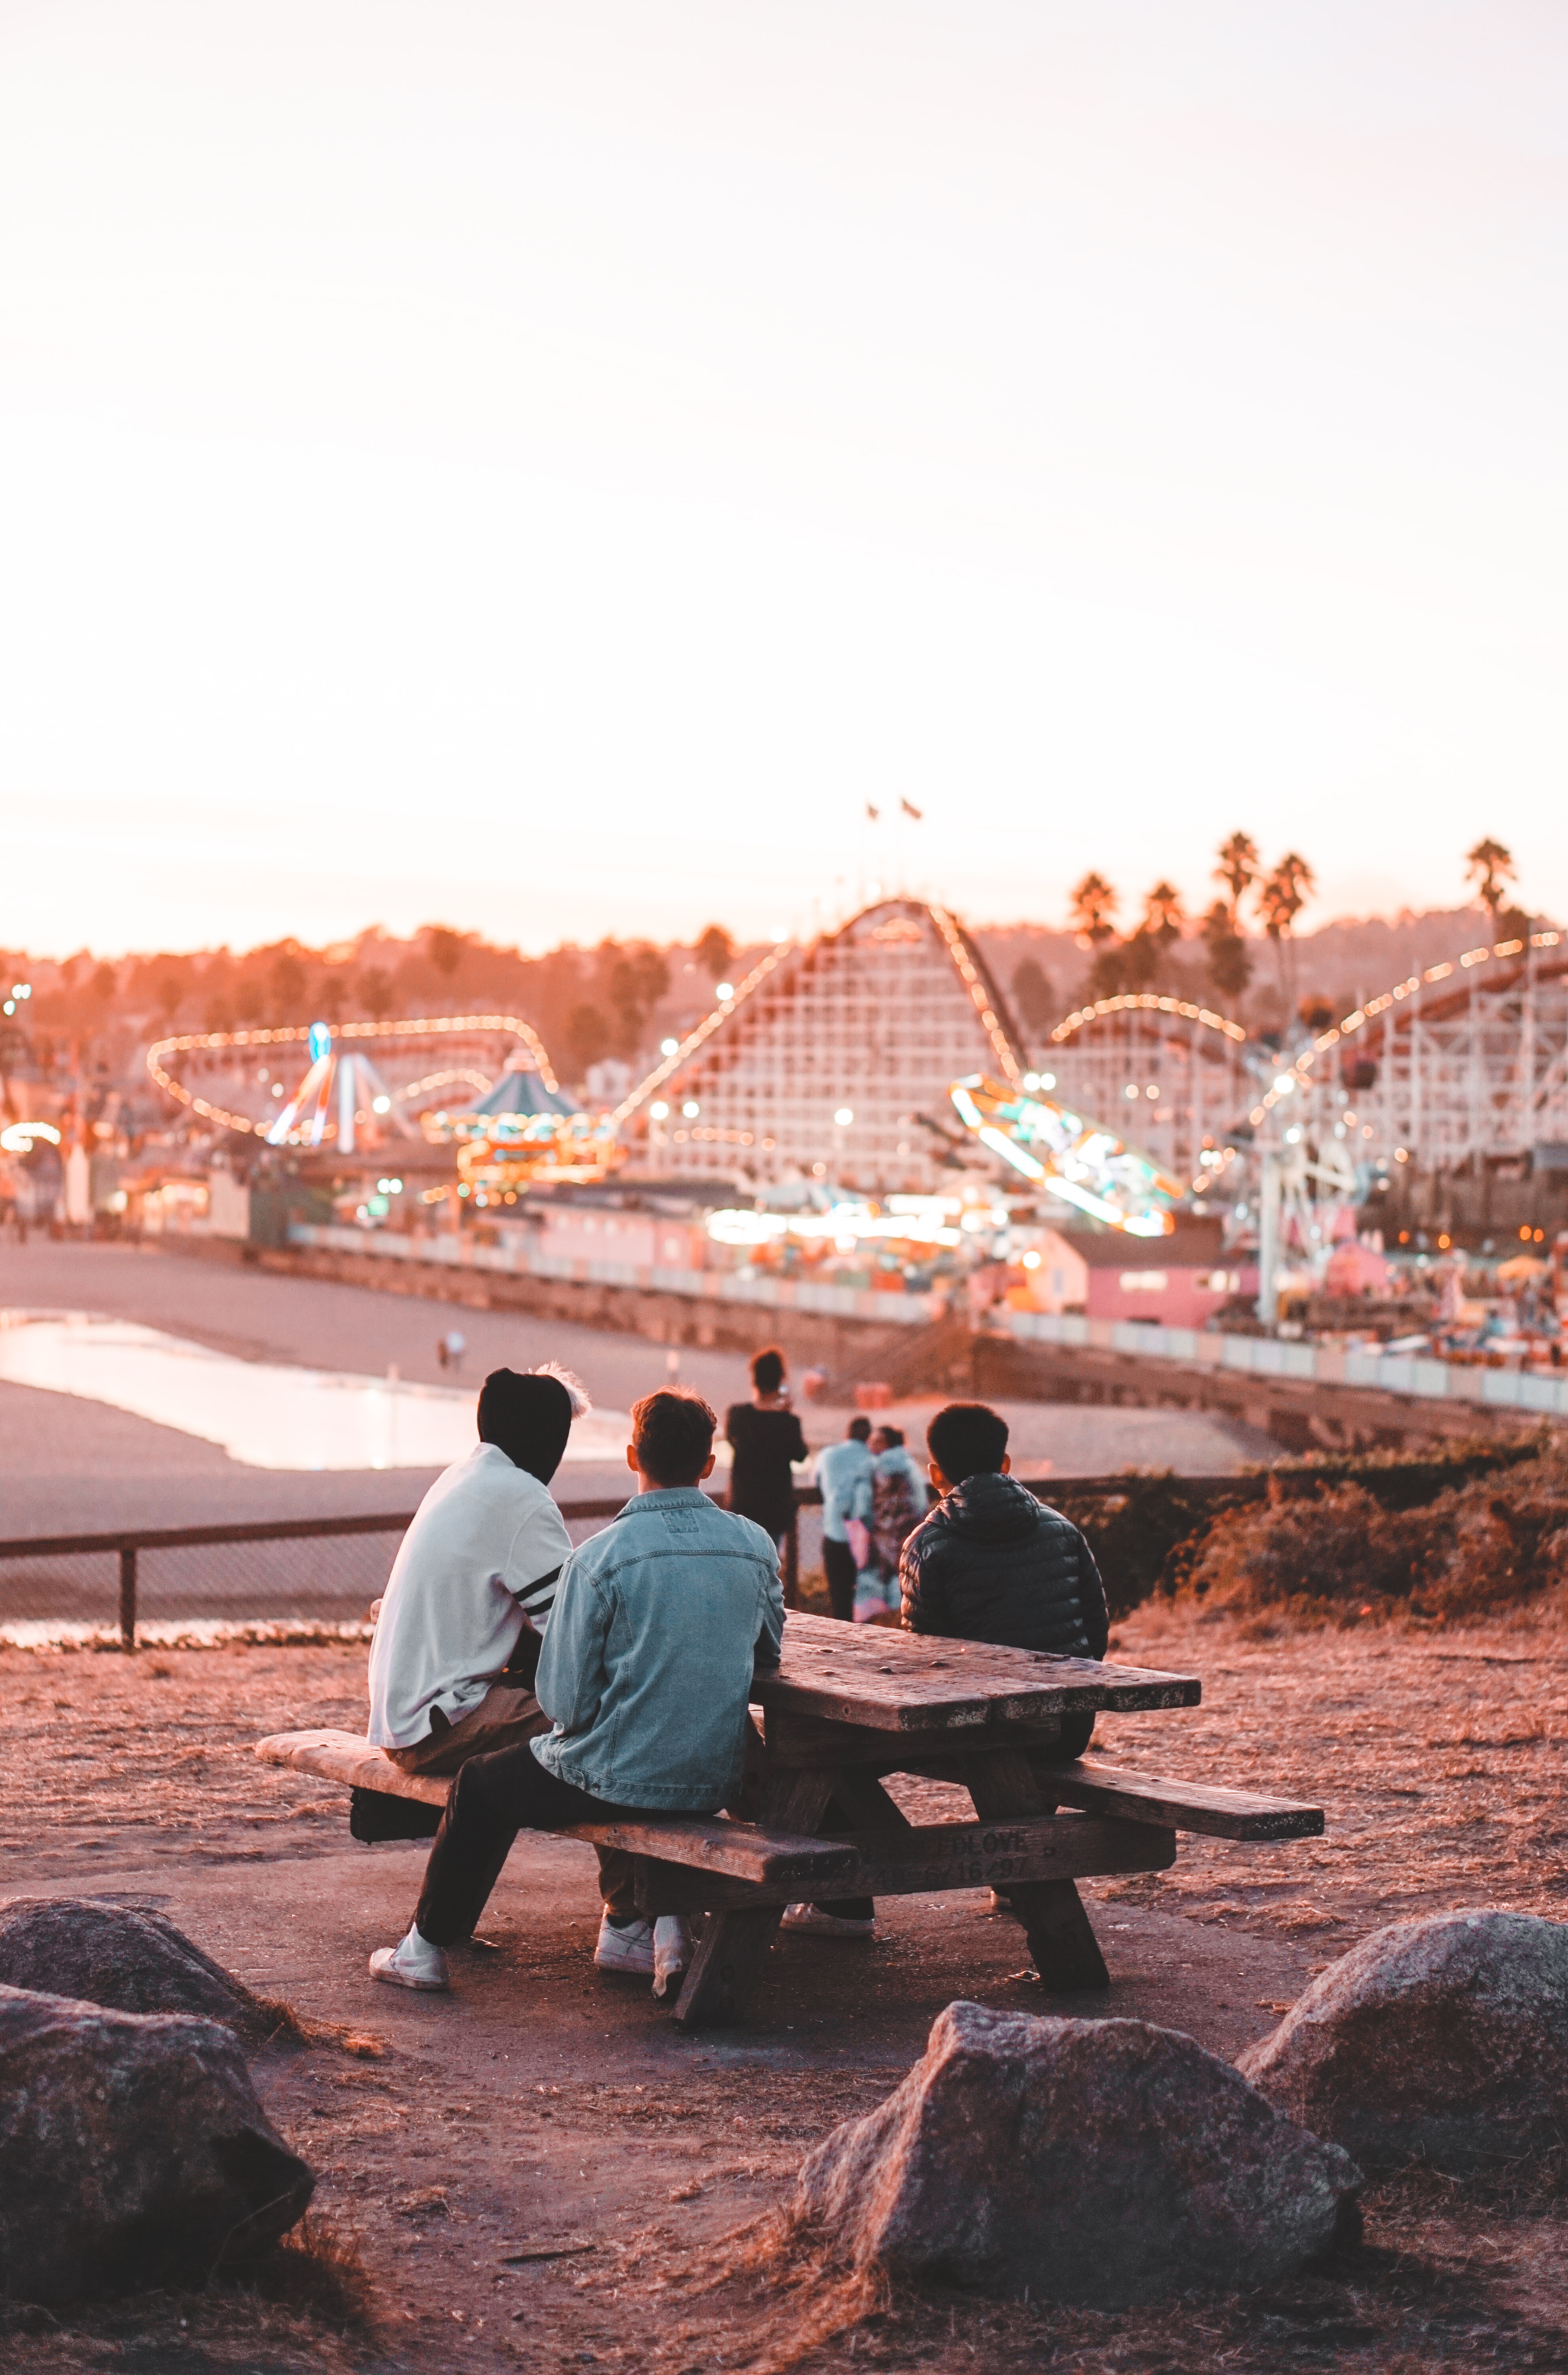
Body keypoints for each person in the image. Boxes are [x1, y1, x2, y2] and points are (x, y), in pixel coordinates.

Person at [369, 1386, 785, 2000]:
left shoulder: (598, 1560)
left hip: (628, 1769)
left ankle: (423, 1951)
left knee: (485, 1784)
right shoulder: (755, 1545)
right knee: (652, 1721)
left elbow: (564, 1706)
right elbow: (767, 1656)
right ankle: (632, 1925)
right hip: (715, 1777)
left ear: (630, 1456)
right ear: (708, 1464)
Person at [367, 1364, 588, 1778]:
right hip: (437, 1726)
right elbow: (574, 1628)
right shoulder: (521, 1497)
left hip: (400, 1717)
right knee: (617, 1719)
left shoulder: (461, 1477)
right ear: (545, 1435)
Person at [900, 1400, 1109, 1754]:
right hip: (1070, 1724)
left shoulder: (926, 1544)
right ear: (1006, 1465)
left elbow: (926, 1652)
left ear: (936, 1476)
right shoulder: (1063, 1529)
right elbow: (1096, 1628)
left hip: (978, 1731)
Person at [724, 1346, 808, 1550]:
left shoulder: (737, 1415)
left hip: (742, 1505)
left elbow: (731, 1440)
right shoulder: (789, 1422)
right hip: (775, 1510)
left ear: (754, 1379)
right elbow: (801, 1455)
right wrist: (786, 1414)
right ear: (781, 1381)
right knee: (768, 1566)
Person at [852, 1424, 927, 1624]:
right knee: (905, 1578)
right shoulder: (910, 1466)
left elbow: (863, 1508)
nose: (870, 1444)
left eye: (875, 1440)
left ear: (884, 1444)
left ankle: (884, 1626)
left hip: (883, 1535)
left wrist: (870, 1526)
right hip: (909, 1532)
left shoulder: (874, 1468)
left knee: (881, 1581)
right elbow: (921, 1504)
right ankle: (904, 1621)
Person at [814, 1415, 873, 1621]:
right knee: (865, 1599)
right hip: (865, 1538)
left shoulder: (828, 1454)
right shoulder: (873, 1460)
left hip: (834, 1532)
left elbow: (818, 1482)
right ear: (869, 1437)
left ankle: (841, 1640)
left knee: (839, 1597)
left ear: (847, 1433)